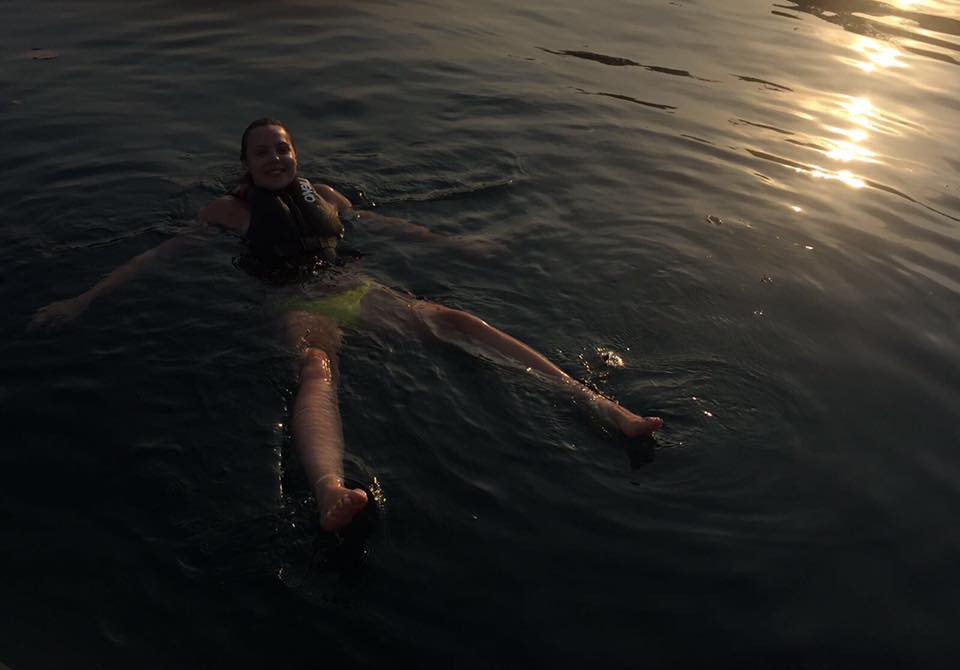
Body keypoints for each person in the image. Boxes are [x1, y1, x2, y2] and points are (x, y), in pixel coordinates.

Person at [31, 118, 663, 533]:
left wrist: (458, 245)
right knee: (316, 369)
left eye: (283, 147)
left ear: (294, 154)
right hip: (294, 303)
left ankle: (603, 407)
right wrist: (83, 300)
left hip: (354, 290)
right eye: (263, 152)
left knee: (458, 318)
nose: (276, 157)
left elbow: (385, 228)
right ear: (247, 165)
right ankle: (331, 492)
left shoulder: (325, 194)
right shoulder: (226, 210)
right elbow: (156, 256)